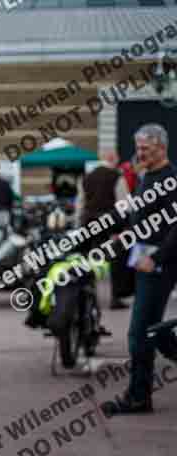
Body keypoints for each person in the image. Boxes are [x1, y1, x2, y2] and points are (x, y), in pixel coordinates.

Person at [104, 124, 177, 415]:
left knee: (140, 333)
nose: (140, 153)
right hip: (145, 261)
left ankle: (138, 396)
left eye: (146, 148)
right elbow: (149, 220)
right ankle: (139, 393)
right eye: (139, 147)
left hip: (158, 266)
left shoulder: (170, 179)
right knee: (148, 330)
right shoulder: (149, 176)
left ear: (162, 147)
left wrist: (157, 258)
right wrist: (128, 236)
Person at [75, 151, 133, 309]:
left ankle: (89, 296)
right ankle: (115, 297)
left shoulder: (86, 177)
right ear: (113, 159)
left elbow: (80, 204)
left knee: (88, 259)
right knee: (116, 260)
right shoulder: (117, 176)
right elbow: (124, 205)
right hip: (110, 223)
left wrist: (79, 224)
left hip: (88, 222)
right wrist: (125, 226)